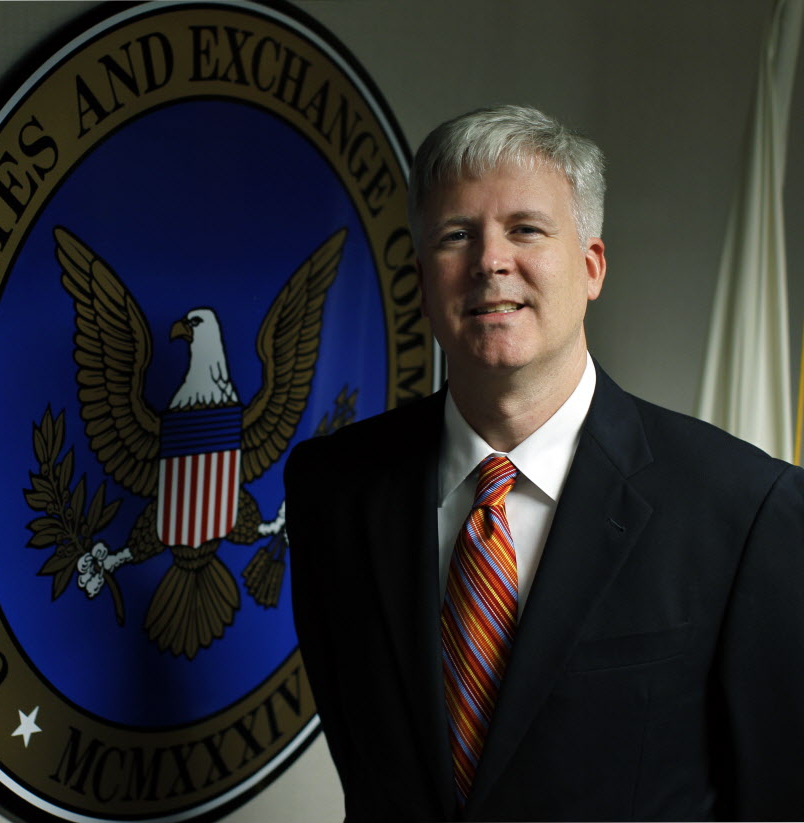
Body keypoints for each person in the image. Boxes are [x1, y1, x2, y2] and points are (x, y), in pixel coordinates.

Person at [284, 104, 804, 822]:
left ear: (591, 266)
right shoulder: (331, 491)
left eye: (526, 228)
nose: (490, 260)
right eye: (457, 234)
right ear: (422, 280)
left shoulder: (746, 508)